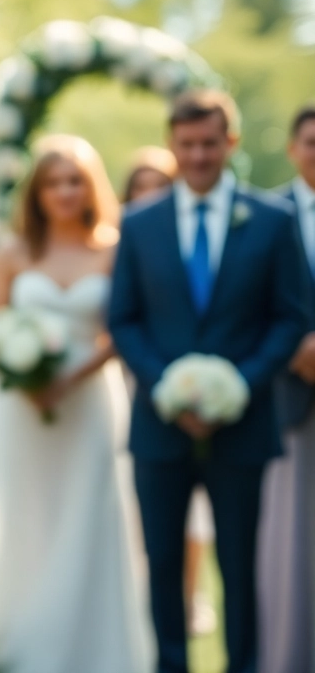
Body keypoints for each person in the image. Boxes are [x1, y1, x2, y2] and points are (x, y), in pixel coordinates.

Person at [108, 89, 307, 673]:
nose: (198, 156)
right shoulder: (138, 224)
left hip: (245, 426)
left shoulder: (273, 220)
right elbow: (123, 318)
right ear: (172, 144)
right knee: (164, 565)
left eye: (210, 144)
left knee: (240, 569)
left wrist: (241, 384)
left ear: (231, 142)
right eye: (188, 144)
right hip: (160, 427)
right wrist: (166, 387)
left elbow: (290, 316)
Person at [0, 134, 153, 673]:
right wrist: (25, 378)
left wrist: (72, 377)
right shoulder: (12, 252)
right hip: (20, 404)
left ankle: (94, 649)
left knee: (90, 510)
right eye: (52, 182)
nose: (64, 192)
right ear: (37, 192)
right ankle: (20, 645)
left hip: (90, 398)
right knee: (29, 511)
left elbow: (124, 330)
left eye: (74, 181)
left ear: (91, 187)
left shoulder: (115, 248)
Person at [122, 148, 220, 639]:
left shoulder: (189, 232)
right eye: (139, 187)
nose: (148, 196)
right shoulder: (125, 237)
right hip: (137, 385)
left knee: (197, 514)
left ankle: (192, 593)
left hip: (205, 387)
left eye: (157, 186)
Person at [256, 104, 315, 673]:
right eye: (312, 142)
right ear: (294, 148)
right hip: (290, 397)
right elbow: (249, 300)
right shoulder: (266, 216)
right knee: (291, 542)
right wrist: (294, 348)